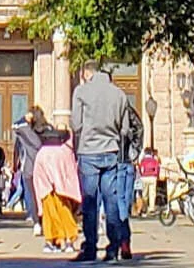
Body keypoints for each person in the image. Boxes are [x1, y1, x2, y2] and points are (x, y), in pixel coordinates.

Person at [68, 59, 134, 263]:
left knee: (90, 201)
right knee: (111, 200)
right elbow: (125, 129)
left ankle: (90, 248)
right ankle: (113, 248)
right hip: (111, 150)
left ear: (87, 74)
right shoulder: (119, 94)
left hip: (89, 151)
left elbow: (76, 124)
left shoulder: (81, 92)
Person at [33, 126, 82, 253]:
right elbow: (71, 172)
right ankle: (69, 239)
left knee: (49, 210)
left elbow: (38, 175)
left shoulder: (42, 152)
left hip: (46, 185)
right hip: (63, 186)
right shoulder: (66, 150)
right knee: (64, 208)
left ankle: (51, 240)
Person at [14, 105, 47, 232]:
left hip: (30, 167)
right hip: (45, 167)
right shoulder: (47, 129)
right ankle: (44, 220)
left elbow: (15, 125)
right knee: (44, 194)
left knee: (32, 196)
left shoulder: (25, 129)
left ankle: (37, 222)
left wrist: (25, 118)